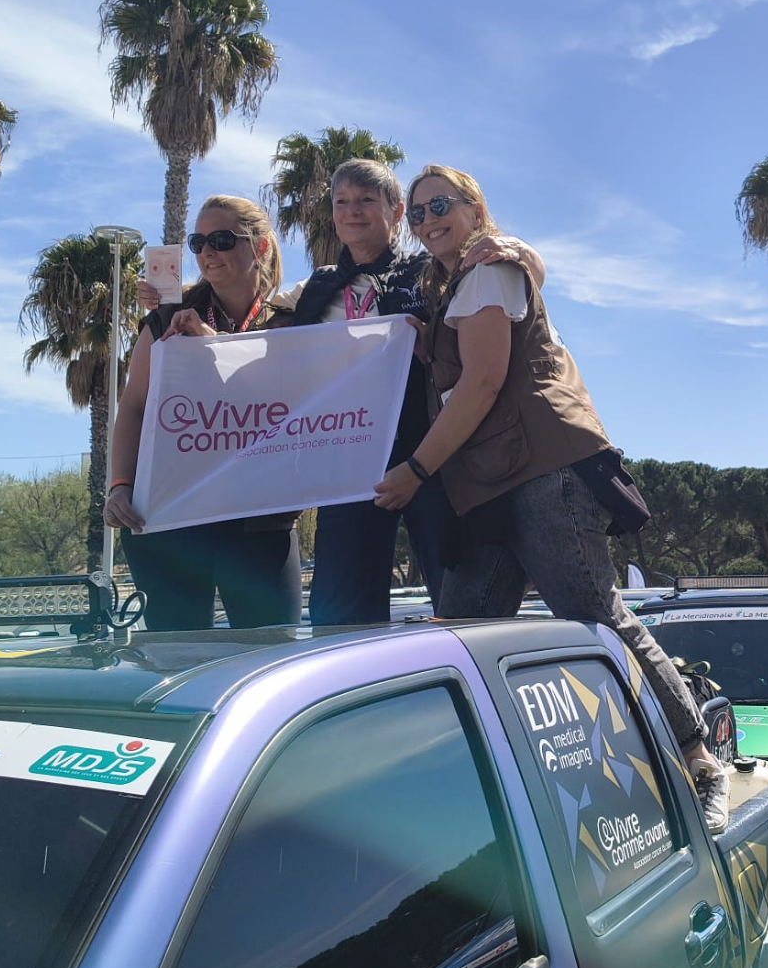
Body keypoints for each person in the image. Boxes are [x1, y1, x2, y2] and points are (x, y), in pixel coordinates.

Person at [373, 165, 732, 832]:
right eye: (417, 213)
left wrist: (415, 471)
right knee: (462, 634)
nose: (427, 221)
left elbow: (482, 384)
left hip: (543, 473)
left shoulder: (488, 271)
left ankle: (700, 763)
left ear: (474, 207)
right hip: (485, 488)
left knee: (595, 616)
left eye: (440, 205)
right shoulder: (449, 282)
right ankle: (470, 796)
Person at [135, 159, 543, 626]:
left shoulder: (434, 271)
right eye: (341, 202)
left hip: (434, 460)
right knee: (340, 614)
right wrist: (179, 309)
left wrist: (518, 248)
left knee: (458, 604)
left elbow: (518, 274)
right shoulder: (314, 290)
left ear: (394, 213)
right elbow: (257, 341)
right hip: (347, 467)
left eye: (368, 200)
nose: (353, 212)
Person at [105, 195, 301, 631]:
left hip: (259, 522)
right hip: (169, 519)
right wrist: (120, 486)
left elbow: (280, 402)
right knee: (176, 666)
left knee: (272, 660)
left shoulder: (289, 323)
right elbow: (134, 406)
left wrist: (209, 342)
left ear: (261, 247)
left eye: (222, 239)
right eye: (198, 242)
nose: (207, 252)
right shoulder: (167, 318)